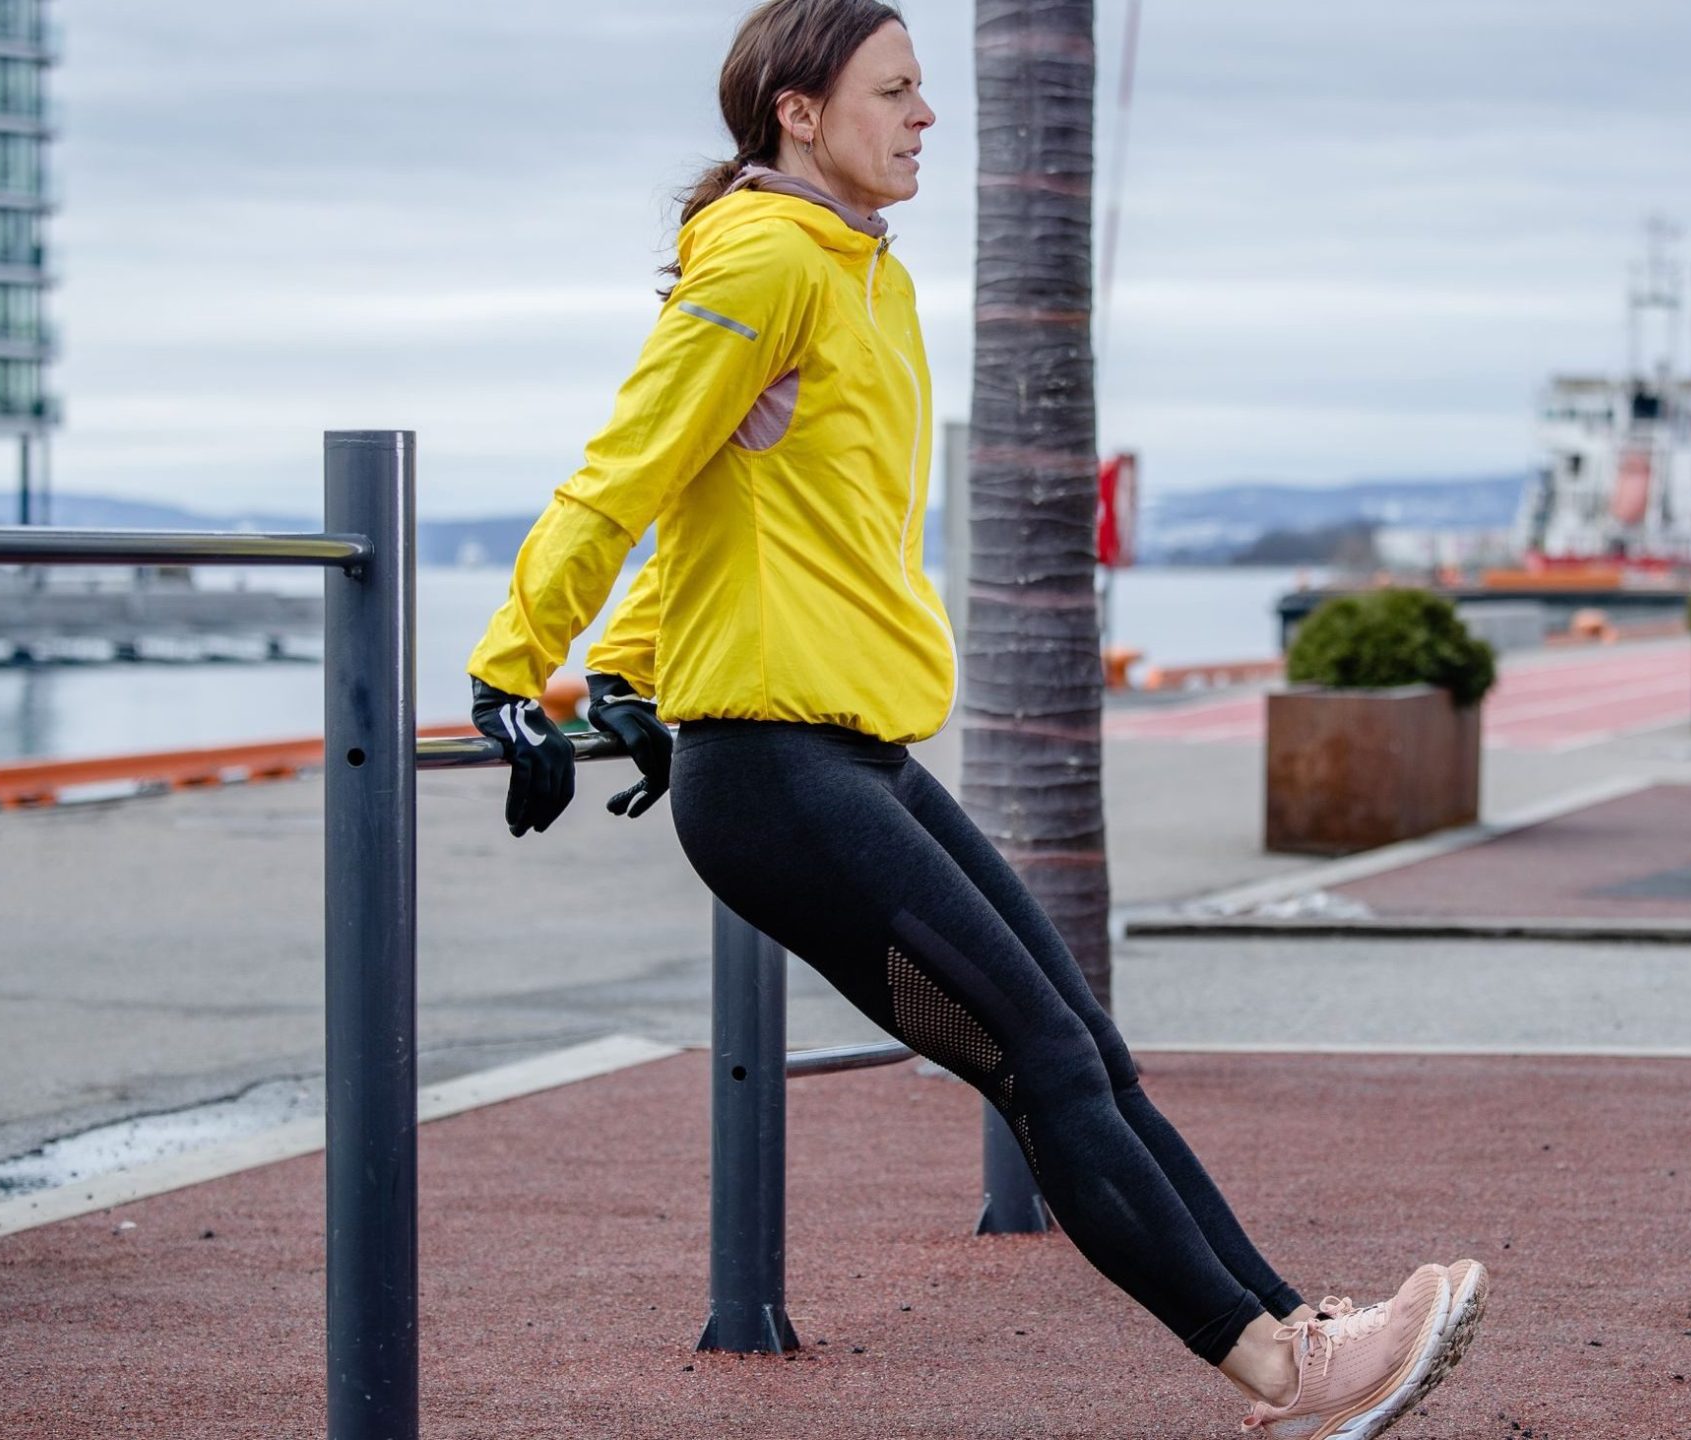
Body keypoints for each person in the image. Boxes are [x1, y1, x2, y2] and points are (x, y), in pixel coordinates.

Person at [464, 2, 1487, 1433]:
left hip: (853, 756)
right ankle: (1280, 1378)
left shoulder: (860, 275)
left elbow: (739, 511)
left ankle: (1301, 1329)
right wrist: (517, 667)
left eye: (926, 91)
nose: (926, 116)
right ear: (798, 113)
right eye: (894, 91)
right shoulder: (766, 257)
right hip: (769, 776)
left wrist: (631, 663)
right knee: (1047, 1063)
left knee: (1085, 1045)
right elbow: (628, 468)